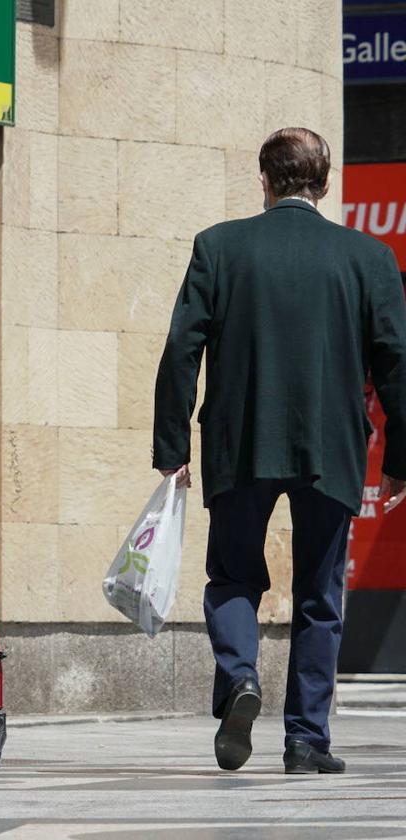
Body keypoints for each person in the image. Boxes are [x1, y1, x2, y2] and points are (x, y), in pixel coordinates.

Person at [153, 127, 406, 775]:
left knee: (234, 575)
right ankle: (305, 740)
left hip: (242, 440)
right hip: (332, 445)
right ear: (325, 184)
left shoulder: (219, 247)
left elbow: (183, 348)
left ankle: (240, 678)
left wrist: (172, 445)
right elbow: (397, 362)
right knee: (321, 595)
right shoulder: (368, 258)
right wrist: (400, 456)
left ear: (263, 180)